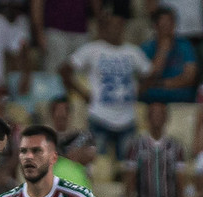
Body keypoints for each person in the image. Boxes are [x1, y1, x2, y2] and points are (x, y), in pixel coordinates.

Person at [60, 10, 152, 160]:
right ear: (104, 28)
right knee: (97, 165)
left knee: (129, 165)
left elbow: (150, 73)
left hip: (127, 119)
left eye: (119, 25)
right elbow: (64, 70)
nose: (115, 29)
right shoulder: (93, 49)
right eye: (111, 25)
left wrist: (138, 91)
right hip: (99, 118)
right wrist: (82, 92)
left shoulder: (133, 52)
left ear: (124, 27)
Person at [123, 102, 187, 197]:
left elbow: (180, 179)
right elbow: (130, 178)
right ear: (147, 118)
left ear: (166, 118)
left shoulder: (176, 147)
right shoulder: (136, 145)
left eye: (161, 114)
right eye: (153, 114)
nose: (157, 118)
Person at [140, 7, 199, 103]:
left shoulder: (185, 45)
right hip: (152, 101)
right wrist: (163, 50)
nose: (168, 27)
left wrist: (161, 84)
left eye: (171, 23)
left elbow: (190, 77)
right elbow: (147, 79)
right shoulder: (146, 48)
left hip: (181, 99)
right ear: (155, 26)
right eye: (164, 24)